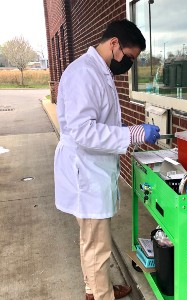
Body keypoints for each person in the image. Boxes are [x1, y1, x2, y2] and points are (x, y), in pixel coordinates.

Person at [54, 19, 160, 300]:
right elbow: (82, 130)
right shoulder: (84, 74)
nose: (130, 64)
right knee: (97, 246)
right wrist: (134, 133)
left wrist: (128, 134)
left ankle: (94, 288)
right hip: (84, 173)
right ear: (114, 44)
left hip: (92, 169)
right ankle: (101, 295)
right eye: (130, 57)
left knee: (91, 240)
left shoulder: (99, 72)